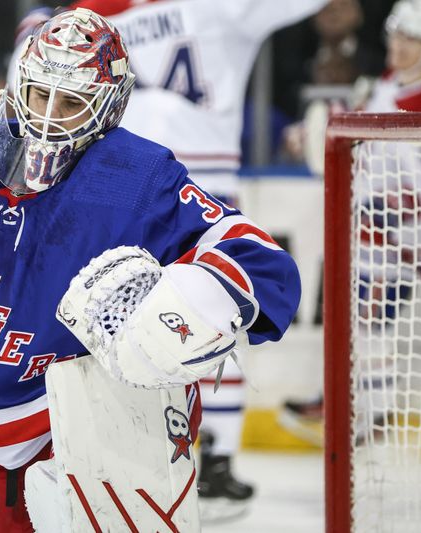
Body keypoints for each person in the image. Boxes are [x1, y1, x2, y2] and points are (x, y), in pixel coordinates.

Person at [0, 8, 300, 532]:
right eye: (40, 95)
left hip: (109, 464)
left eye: (73, 103)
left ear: (108, 110)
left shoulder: (136, 176)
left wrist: (189, 297)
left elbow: (265, 263)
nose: (49, 118)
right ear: (17, 85)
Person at [52, 0, 325, 509]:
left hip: (128, 176)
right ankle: (210, 461)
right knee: (203, 315)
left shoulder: (99, 12)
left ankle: (133, 459)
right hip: (181, 179)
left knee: (124, 312)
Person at [280, 0, 421, 441]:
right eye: (397, 34)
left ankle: (370, 414)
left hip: (396, 241)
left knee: (370, 323)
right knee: (354, 319)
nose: (398, 46)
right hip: (370, 233)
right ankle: (344, 401)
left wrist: (386, 214)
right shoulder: (390, 82)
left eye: (413, 39)